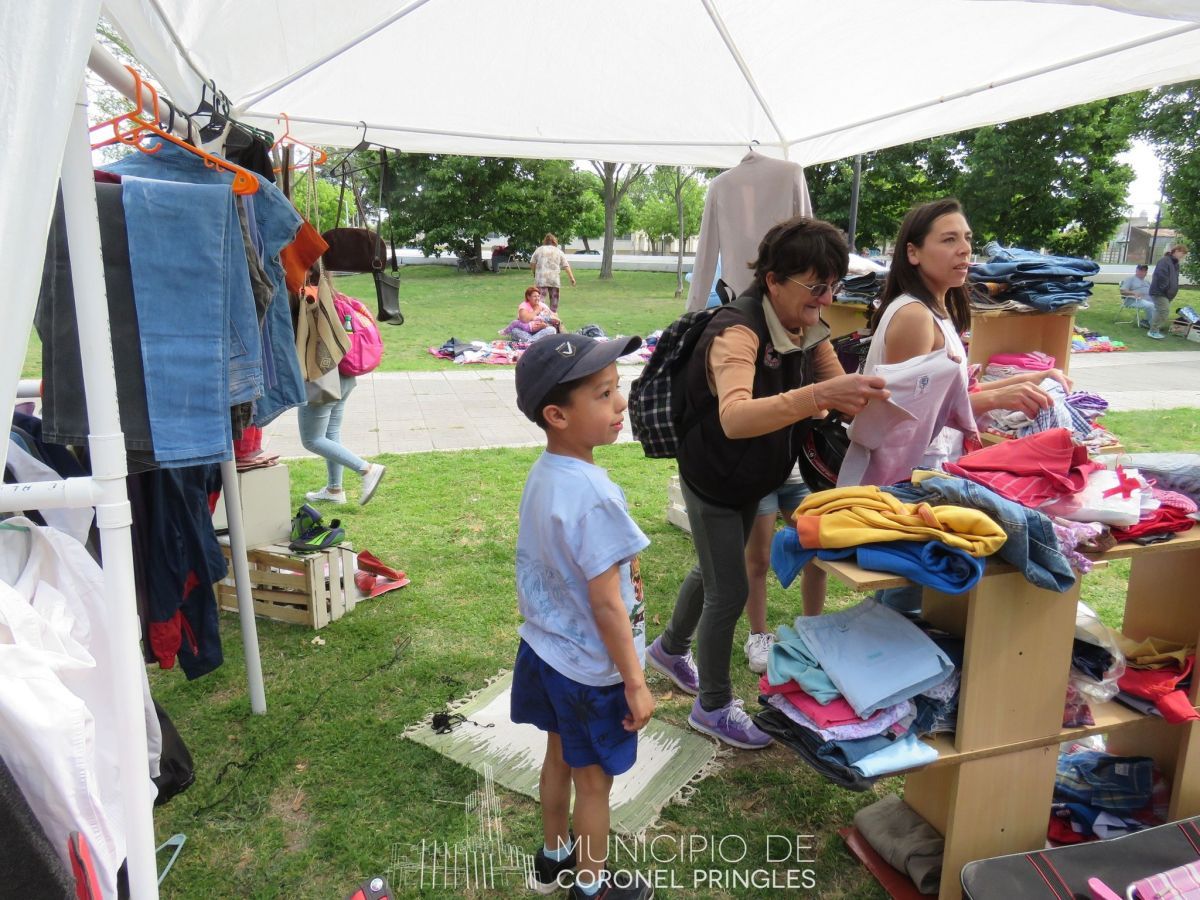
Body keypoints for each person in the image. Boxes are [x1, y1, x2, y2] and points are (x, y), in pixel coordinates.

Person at [647, 216, 890, 750]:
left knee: (712, 568)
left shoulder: (805, 326)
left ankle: (667, 649)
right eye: (815, 286)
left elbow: (832, 386)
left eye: (832, 286)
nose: (826, 298)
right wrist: (820, 398)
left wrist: (883, 393)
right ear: (774, 279)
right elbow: (735, 416)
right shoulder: (737, 331)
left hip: (754, 470)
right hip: (713, 471)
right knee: (728, 590)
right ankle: (711, 706)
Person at [856, 197, 1070, 612]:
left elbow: (944, 389)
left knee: (915, 596)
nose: (965, 250)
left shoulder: (935, 309)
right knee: (908, 600)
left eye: (968, 239)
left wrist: (1028, 378)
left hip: (925, 474)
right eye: (949, 239)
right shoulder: (914, 316)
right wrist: (997, 396)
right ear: (913, 253)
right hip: (908, 482)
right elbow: (907, 416)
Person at [510, 332, 655, 900]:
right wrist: (636, 682)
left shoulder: (545, 473)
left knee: (557, 757)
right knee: (594, 786)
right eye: (602, 394)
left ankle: (553, 859)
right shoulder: (594, 494)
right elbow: (606, 601)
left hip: (547, 654)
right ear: (557, 415)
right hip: (593, 672)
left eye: (617, 388)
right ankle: (590, 889)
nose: (620, 403)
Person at [742, 465, 826, 673]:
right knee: (758, 560)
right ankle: (758, 637)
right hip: (760, 479)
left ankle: (811, 632)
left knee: (814, 558)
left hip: (804, 476)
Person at [298, 372, 387, 506]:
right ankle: (334, 490)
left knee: (312, 440)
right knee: (331, 433)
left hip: (321, 381)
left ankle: (367, 469)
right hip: (344, 377)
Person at [1148, 243, 1189, 340]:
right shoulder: (1165, 261)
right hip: (1159, 292)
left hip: (1167, 293)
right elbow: (1162, 276)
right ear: (1177, 251)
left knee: (1160, 311)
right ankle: (1153, 331)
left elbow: (1175, 278)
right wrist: (1166, 288)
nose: (1183, 256)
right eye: (1182, 253)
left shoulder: (1175, 263)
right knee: (1164, 310)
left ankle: (1153, 329)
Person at [530, 233, 576, 313]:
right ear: (555, 242)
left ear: (545, 241)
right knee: (554, 302)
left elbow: (532, 263)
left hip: (541, 279)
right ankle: (553, 317)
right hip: (554, 280)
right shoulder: (558, 251)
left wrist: (534, 272)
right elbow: (566, 266)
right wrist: (572, 278)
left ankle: (539, 317)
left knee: (540, 302)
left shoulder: (539, 250)